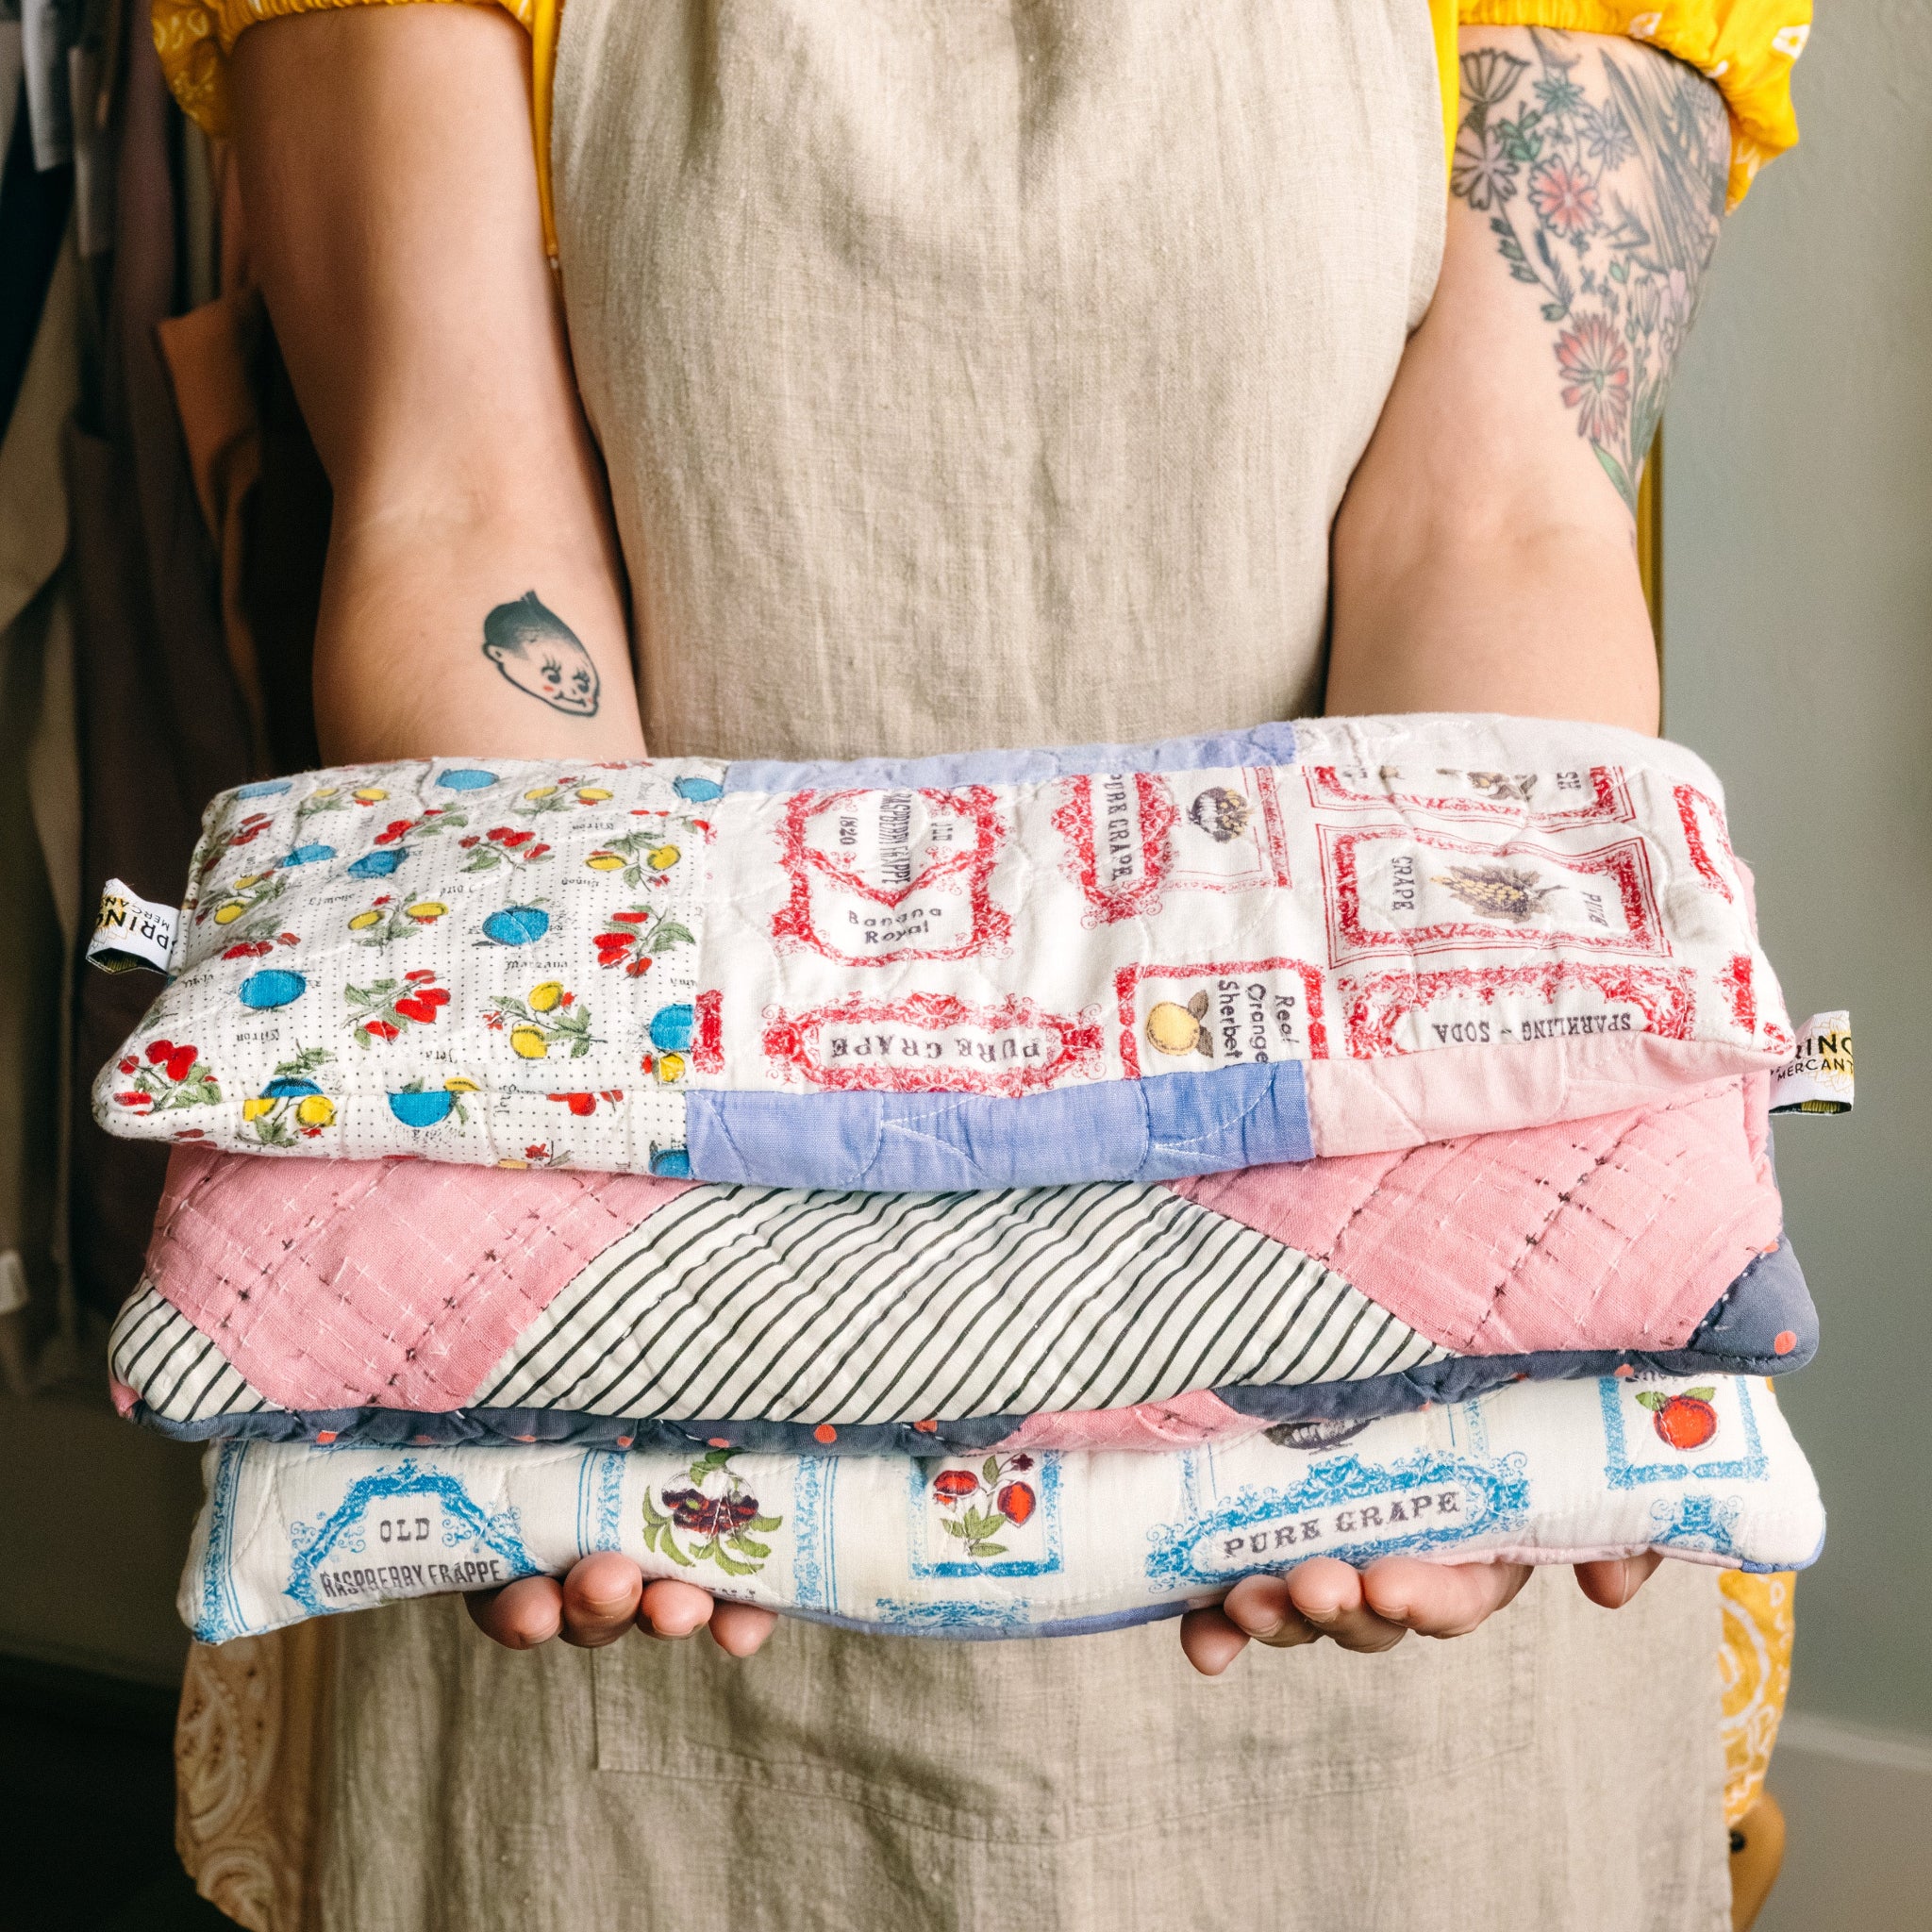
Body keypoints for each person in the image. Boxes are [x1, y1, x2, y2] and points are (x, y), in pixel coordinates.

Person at [159, 2, 1806, 1924]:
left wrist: (1427, 1388)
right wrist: (593, 1349)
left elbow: (1496, 518)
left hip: (1393, 1457)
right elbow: (463, 520)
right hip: (641, 1461)